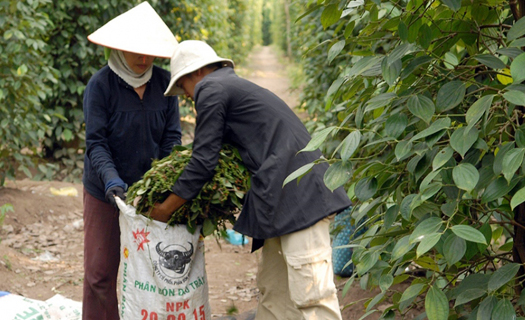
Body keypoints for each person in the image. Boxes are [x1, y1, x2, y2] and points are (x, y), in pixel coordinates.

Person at [150, 40, 351, 320]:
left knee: (312, 295)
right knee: (274, 292)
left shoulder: (211, 88)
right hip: (282, 195)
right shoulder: (230, 87)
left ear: (196, 73)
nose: (187, 97)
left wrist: (164, 209)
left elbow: (203, 161)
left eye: (183, 88)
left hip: (300, 197)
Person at [82, 3, 181, 319]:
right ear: (119, 49)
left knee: (153, 270)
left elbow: (172, 140)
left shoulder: (165, 84)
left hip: (150, 192)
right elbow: (96, 143)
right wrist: (111, 180)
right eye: (136, 51)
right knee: (99, 273)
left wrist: (163, 183)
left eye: (150, 51)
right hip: (105, 191)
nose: (144, 59)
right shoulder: (101, 86)